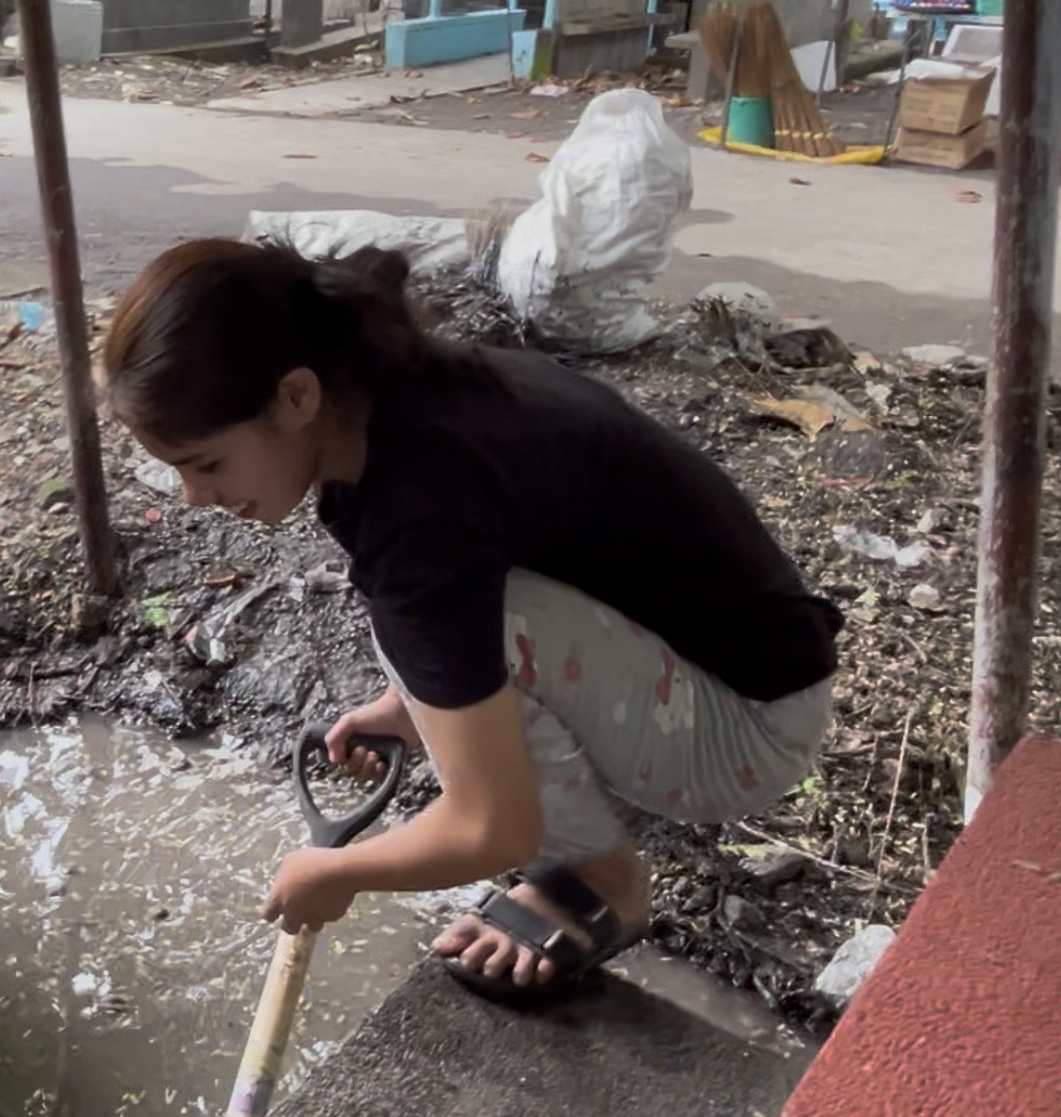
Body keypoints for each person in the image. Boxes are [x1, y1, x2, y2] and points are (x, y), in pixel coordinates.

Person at [98, 238, 843, 1002]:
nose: (192, 495)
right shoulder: (396, 398)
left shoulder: (420, 511)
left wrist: (337, 872)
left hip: (746, 732)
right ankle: (557, 813)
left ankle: (602, 880)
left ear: (295, 397)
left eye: (208, 463)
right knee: (425, 634)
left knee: (430, 623)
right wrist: (410, 708)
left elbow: (493, 830)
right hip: (710, 666)